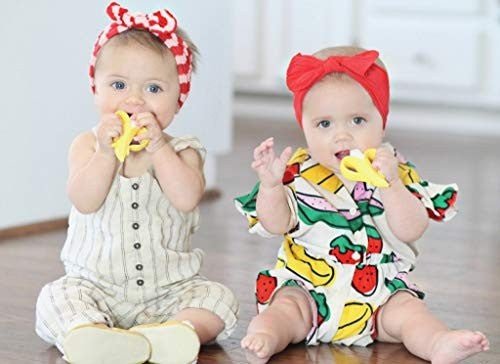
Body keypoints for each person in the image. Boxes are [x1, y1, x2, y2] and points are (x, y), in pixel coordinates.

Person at [235, 46, 489, 364]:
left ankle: (437, 342)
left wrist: (393, 185)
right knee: (285, 310)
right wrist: (271, 187)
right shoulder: (295, 174)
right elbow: (276, 224)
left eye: (357, 120)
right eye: (324, 124)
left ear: (381, 122)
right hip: (308, 286)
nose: (342, 135)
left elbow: (411, 228)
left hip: (378, 294)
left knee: (409, 312)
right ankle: (266, 337)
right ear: (305, 129)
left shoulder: (395, 171)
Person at [35, 3, 238, 364]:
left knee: (219, 299)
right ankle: (91, 333)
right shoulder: (87, 145)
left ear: (178, 100)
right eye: (118, 85)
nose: (134, 100)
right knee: (54, 299)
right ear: (96, 90)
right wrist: (106, 154)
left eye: (154, 89)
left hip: (170, 291)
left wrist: (160, 147)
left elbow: (187, 197)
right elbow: (84, 200)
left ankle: (177, 332)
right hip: (95, 286)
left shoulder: (183, 151)